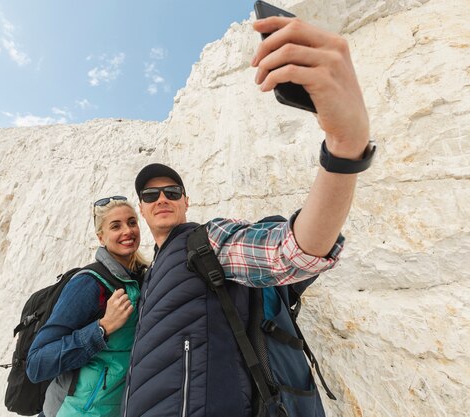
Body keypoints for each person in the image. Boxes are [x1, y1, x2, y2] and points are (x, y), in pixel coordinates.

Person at [122, 16, 376, 417]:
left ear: (186, 201)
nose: (162, 199)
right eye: (150, 195)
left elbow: (290, 253)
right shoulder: (148, 276)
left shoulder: (206, 241)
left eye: (172, 192)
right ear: (142, 207)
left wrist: (345, 148)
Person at [26, 196, 148, 417]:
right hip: (70, 411)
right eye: (115, 226)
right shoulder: (88, 284)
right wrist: (102, 328)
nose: (127, 231)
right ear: (101, 237)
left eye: (132, 222)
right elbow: (37, 364)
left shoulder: (141, 279)